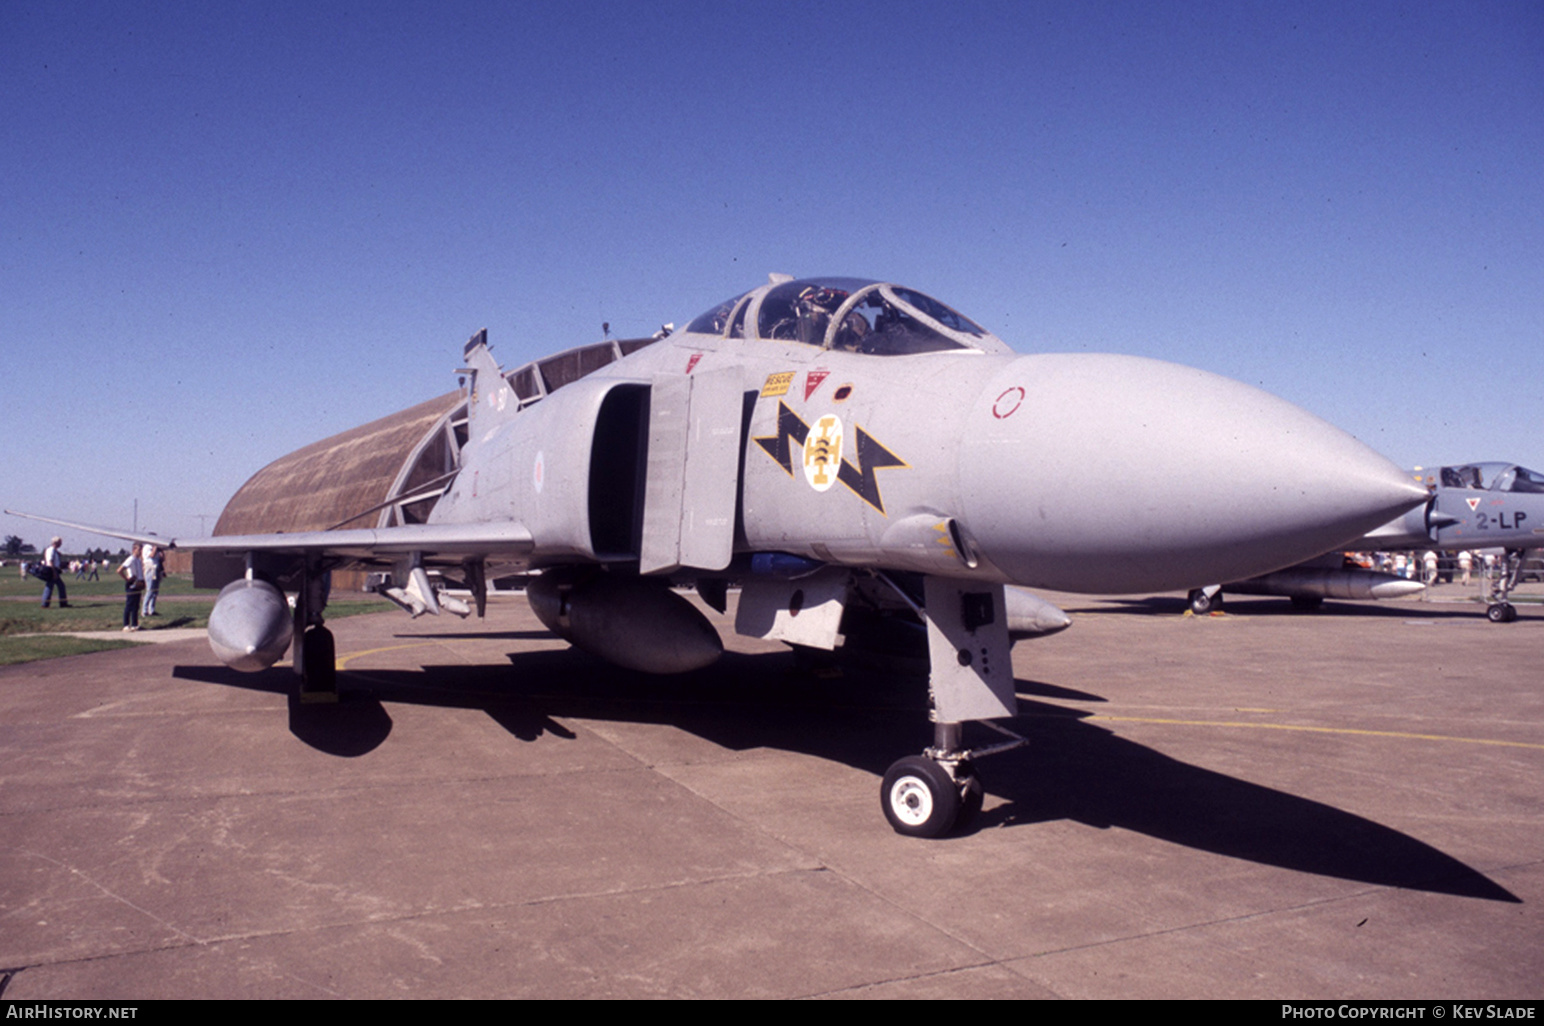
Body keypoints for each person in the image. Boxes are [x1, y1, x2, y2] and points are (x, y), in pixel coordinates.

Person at [118, 544, 145, 631]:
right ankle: (126, 625)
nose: (140, 552)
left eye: (141, 550)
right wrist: (127, 579)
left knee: (136, 606)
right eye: (139, 550)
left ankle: (134, 624)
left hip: (138, 584)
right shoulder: (130, 559)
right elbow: (119, 570)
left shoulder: (138, 560)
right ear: (134, 550)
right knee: (129, 605)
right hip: (132, 584)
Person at [40, 536, 70, 608]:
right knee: (51, 587)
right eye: (60, 542)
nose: (61, 544)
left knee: (56, 586)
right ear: (56, 542)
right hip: (52, 570)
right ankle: (46, 604)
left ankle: (48, 604)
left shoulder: (54, 550)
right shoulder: (51, 550)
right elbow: (50, 562)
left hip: (54, 569)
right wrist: (54, 572)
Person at [141, 544, 165, 617]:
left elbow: (162, 559)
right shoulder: (147, 547)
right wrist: (155, 547)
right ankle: (144, 610)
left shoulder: (156, 548)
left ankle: (151, 610)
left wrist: (161, 551)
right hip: (150, 569)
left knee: (155, 591)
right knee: (150, 590)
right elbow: (152, 555)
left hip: (156, 569)